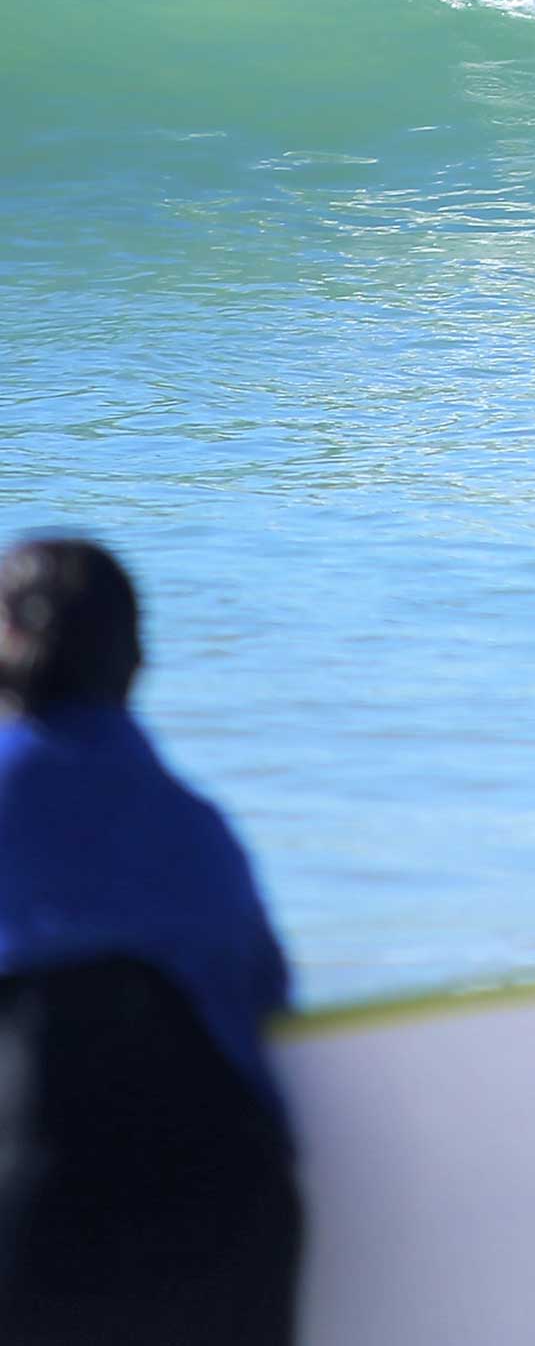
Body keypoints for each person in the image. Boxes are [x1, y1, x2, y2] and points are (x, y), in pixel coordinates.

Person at [0, 533, 300, 1345]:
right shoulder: (200, 830)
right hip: (229, 1225)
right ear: (135, 661)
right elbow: (269, 997)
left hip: (32, 1220)